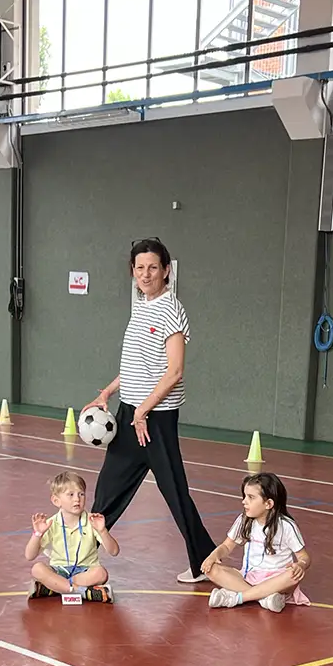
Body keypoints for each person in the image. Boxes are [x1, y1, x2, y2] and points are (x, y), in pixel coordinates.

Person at [84, 238, 217, 584]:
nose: (146, 274)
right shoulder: (141, 307)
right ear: (133, 271)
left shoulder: (172, 309)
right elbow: (137, 365)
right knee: (108, 489)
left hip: (155, 419)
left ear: (166, 270)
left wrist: (143, 411)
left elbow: (175, 371)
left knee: (175, 493)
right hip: (132, 414)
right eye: (140, 268)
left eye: (153, 267)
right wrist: (108, 392)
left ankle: (204, 563)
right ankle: (79, 556)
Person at [200, 473, 311, 612]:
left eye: (251, 497)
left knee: (292, 576)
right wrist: (213, 556)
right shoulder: (244, 520)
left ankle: (238, 598)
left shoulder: (286, 526)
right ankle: (263, 598)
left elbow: (304, 557)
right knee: (211, 569)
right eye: (245, 496)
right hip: (249, 576)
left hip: (277, 580)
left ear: (268, 504)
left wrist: (300, 565)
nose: (244, 501)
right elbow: (227, 546)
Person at [26, 471, 118, 603]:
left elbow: (114, 551)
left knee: (101, 573)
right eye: (71, 495)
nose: (77, 499)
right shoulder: (51, 523)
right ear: (56, 501)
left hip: (85, 571)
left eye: (81, 494)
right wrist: (37, 534)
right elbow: (29, 555)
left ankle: (55, 587)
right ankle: (81, 591)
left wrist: (103, 531)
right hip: (59, 570)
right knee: (37, 569)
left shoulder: (92, 521)